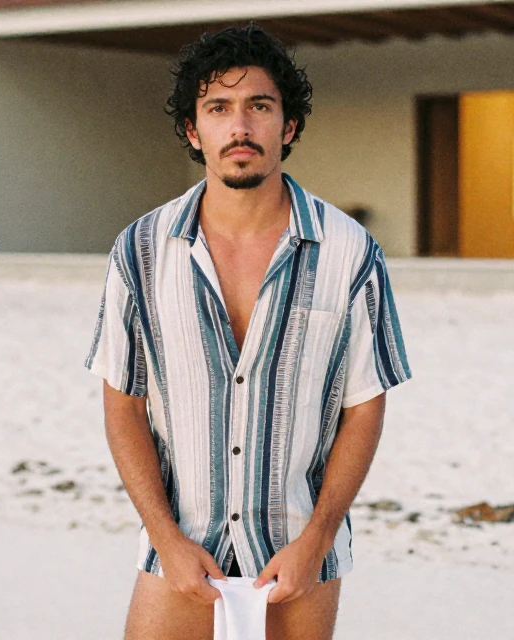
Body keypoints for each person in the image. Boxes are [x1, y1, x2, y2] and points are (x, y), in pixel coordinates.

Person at [85, 23, 411, 640]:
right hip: (180, 552)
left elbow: (365, 406)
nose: (240, 126)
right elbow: (123, 405)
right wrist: (165, 538)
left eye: (260, 106)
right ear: (193, 129)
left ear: (288, 125)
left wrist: (317, 540)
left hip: (298, 558)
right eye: (218, 108)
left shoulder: (350, 253)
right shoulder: (141, 250)